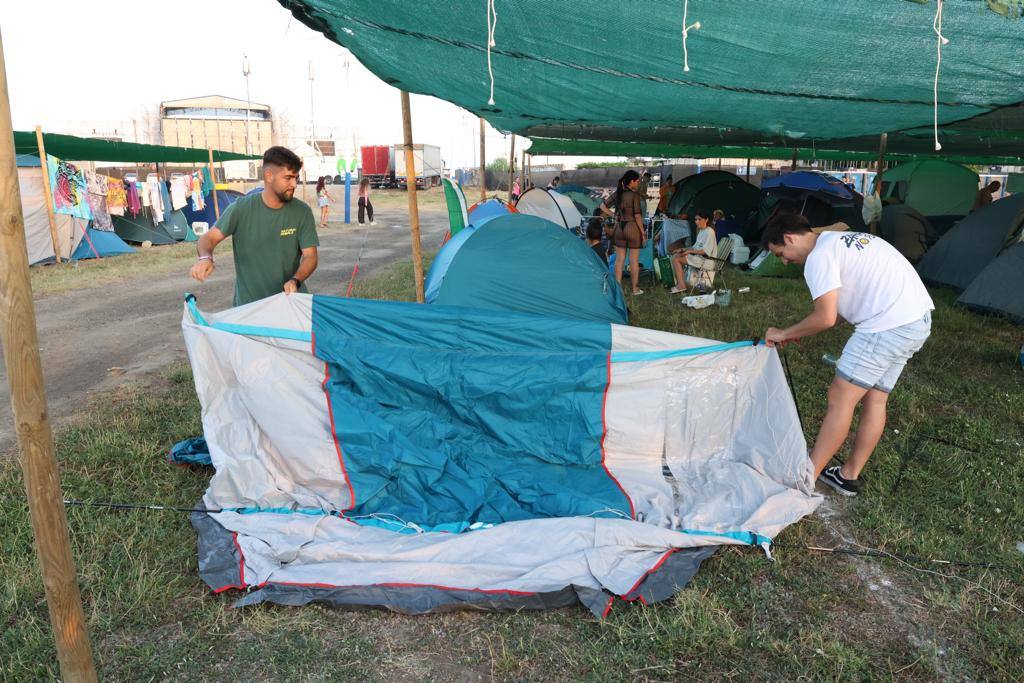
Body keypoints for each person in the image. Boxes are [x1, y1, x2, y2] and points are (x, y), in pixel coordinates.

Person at [761, 212, 933, 497]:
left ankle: (806, 479)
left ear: (790, 238)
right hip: (916, 321)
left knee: (840, 397)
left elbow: (826, 318)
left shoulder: (819, 257)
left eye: (781, 253)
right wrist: (795, 332)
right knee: (876, 400)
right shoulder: (836, 241)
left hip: (885, 326)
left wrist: (782, 333)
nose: (784, 261)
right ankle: (848, 475)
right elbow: (840, 311)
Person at [189, 146, 319, 307]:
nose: (294, 184)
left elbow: (311, 256)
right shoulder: (241, 208)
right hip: (249, 309)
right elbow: (208, 238)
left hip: (290, 305)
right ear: (269, 176)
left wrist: (295, 280)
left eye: (296, 178)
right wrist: (205, 258)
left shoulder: (302, 211)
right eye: (288, 178)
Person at [606, 170, 645, 295]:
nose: (638, 183)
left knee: (619, 260)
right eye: (637, 181)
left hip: (619, 229)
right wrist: (643, 234)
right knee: (633, 261)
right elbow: (638, 216)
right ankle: (635, 289)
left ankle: (618, 289)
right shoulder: (634, 195)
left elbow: (602, 206)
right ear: (632, 181)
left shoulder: (618, 193)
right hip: (632, 228)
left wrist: (614, 216)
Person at [669, 210, 716, 293]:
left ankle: (681, 286)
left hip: (707, 261)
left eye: (699, 219)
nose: (697, 222)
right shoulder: (702, 231)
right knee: (676, 255)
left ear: (706, 220)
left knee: (676, 259)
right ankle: (681, 283)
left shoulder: (710, 232)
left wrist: (689, 252)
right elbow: (695, 247)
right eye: (695, 219)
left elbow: (705, 251)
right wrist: (682, 249)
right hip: (699, 259)